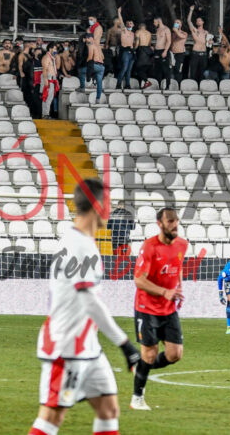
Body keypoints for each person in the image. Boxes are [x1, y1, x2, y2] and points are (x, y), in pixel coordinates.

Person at [28, 179, 141, 435]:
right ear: (98, 206)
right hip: (67, 345)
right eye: (108, 205)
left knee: (109, 409)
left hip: (88, 345)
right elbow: (89, 301)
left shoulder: (77, 239)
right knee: (51, 417)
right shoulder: (80, 246)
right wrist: (125, 345)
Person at [130, 207, 187, 411]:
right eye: (170, 221)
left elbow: (177, 266)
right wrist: (164, 292)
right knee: (150, 353)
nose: (174, 225)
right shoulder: (149, 247)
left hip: (168, 308)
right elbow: (139, 280)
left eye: (176, 221)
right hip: (146, 307)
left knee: (175, 354)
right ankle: (137, 397)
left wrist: (178, 286)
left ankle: (141, 367)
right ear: (160, 224)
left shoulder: (182, 244)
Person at [116, 7, 135, 90]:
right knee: (124, 68)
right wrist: (119, 13)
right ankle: (118, 84)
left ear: (133, 25)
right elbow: (121, 22)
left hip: (131, 52)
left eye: (131, 23)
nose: (129, 25)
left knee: (129, 70)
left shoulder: (133, 33)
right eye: (128, 23)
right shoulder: (124, 31)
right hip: (125, 51)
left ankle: (127, 84)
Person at [84, 33, 105, 103]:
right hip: (101, 66)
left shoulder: (91, 45)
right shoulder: (98, 46)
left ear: (90, 38)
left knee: (84, 68)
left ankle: (88, 82)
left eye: (87, 38)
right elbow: (103, 57)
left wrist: (85, 62)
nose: (86, 40)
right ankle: (98, 99)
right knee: (100, 83)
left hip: (95, 65)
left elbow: (90, 57)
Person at [40, 43, 59, 119]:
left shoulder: (52, 58)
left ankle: (46, 113)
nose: (55, 50)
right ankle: (45, 114)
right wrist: (45, 80)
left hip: (52, 78)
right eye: (54, 49)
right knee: (46, 97)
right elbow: (44, 69)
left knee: (50, 97)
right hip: (48, 78)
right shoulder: (46, 57)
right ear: (50, 49)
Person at [153, 17, 171, 90]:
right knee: (158, 69)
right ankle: (159, 86)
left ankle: (167, 86)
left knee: (166, 69)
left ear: (159, 21)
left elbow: (169, 41)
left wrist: (165, 51)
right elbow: (158, 40)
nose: (154, 24)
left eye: (155, 22)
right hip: (157, 51)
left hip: (163, 50)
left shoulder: (166, 29)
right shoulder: (157, 29)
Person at [169, 19, 188, 83]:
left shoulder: (184, 33)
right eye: (175, 23)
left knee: (178, 70)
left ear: (181, 24)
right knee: (171, 70)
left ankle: (178, 84)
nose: (176, 24)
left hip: (180, 54)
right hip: (172, 53)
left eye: (178, 22)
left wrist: (176, 30)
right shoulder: (172, 34)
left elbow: (181, 36)